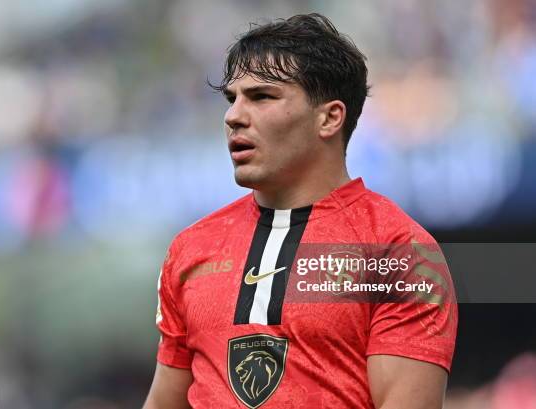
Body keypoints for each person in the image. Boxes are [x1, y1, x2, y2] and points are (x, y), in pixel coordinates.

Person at [143, 13, 457, 409]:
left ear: (329, 118)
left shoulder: (396, 252)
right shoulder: (191, 249)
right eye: (232, 98)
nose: (233, 116)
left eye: (262, 97)